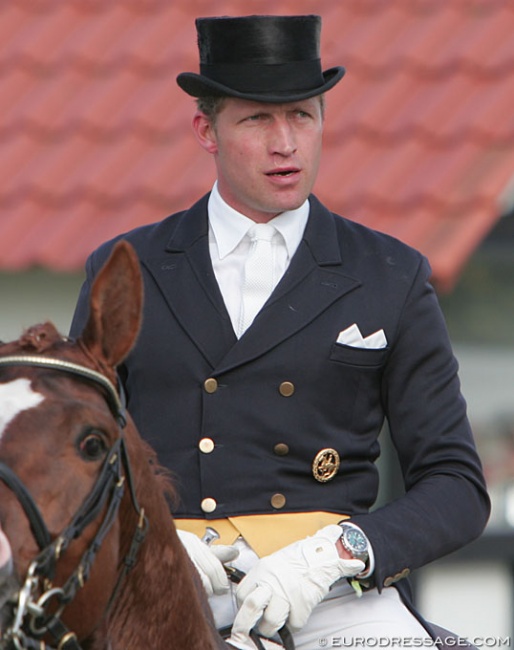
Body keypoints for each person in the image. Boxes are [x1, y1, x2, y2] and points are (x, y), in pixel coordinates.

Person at [70, 14, 490, 650]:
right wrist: (147, 535)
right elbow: (78, 459)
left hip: (332, 594)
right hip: (166, 580)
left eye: (302, 116)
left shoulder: (391, 274)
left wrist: (345, 552)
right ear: (205, 130)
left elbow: (456, 483)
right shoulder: (127, 267)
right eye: (257, 120)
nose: (286, 143)